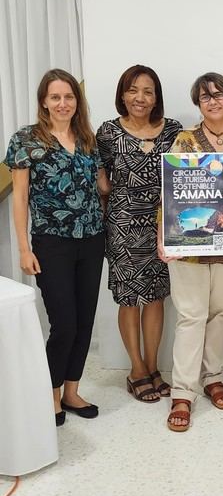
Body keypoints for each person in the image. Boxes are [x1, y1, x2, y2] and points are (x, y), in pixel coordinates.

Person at [4, 68, 110, 426]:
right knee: (63, 323)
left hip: (92, 240)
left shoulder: (87, 139)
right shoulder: (27, 140)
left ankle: (72, 390)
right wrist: (23, 247)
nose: (63, 103)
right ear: (44, 102)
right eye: (55, 97)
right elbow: (19, 199)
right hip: (52, 243)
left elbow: (102, 188)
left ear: (76, 102)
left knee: (84, 321)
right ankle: (50, 395)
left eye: (69, 97)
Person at [159, 72, 223, 431]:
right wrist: (162, 236)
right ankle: (183, 392)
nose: (213, 101)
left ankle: (213, 377)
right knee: (191, 316)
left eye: (219, 95)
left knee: (220, 313)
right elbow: (168, 190)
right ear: (198, 104)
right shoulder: (184, 141)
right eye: (205, 97)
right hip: (189, 245)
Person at [97, 65, 182, 403]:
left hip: (163, 226)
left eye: (148, 91)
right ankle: (136, 370)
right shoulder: (107, 132)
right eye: (133, 90)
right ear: (122, 94)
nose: (140, 98)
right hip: (121, 226)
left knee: (157, 296)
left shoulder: (173, 130)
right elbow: (101, 180)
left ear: (156, 97)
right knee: (130, 299)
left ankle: (152, 365)